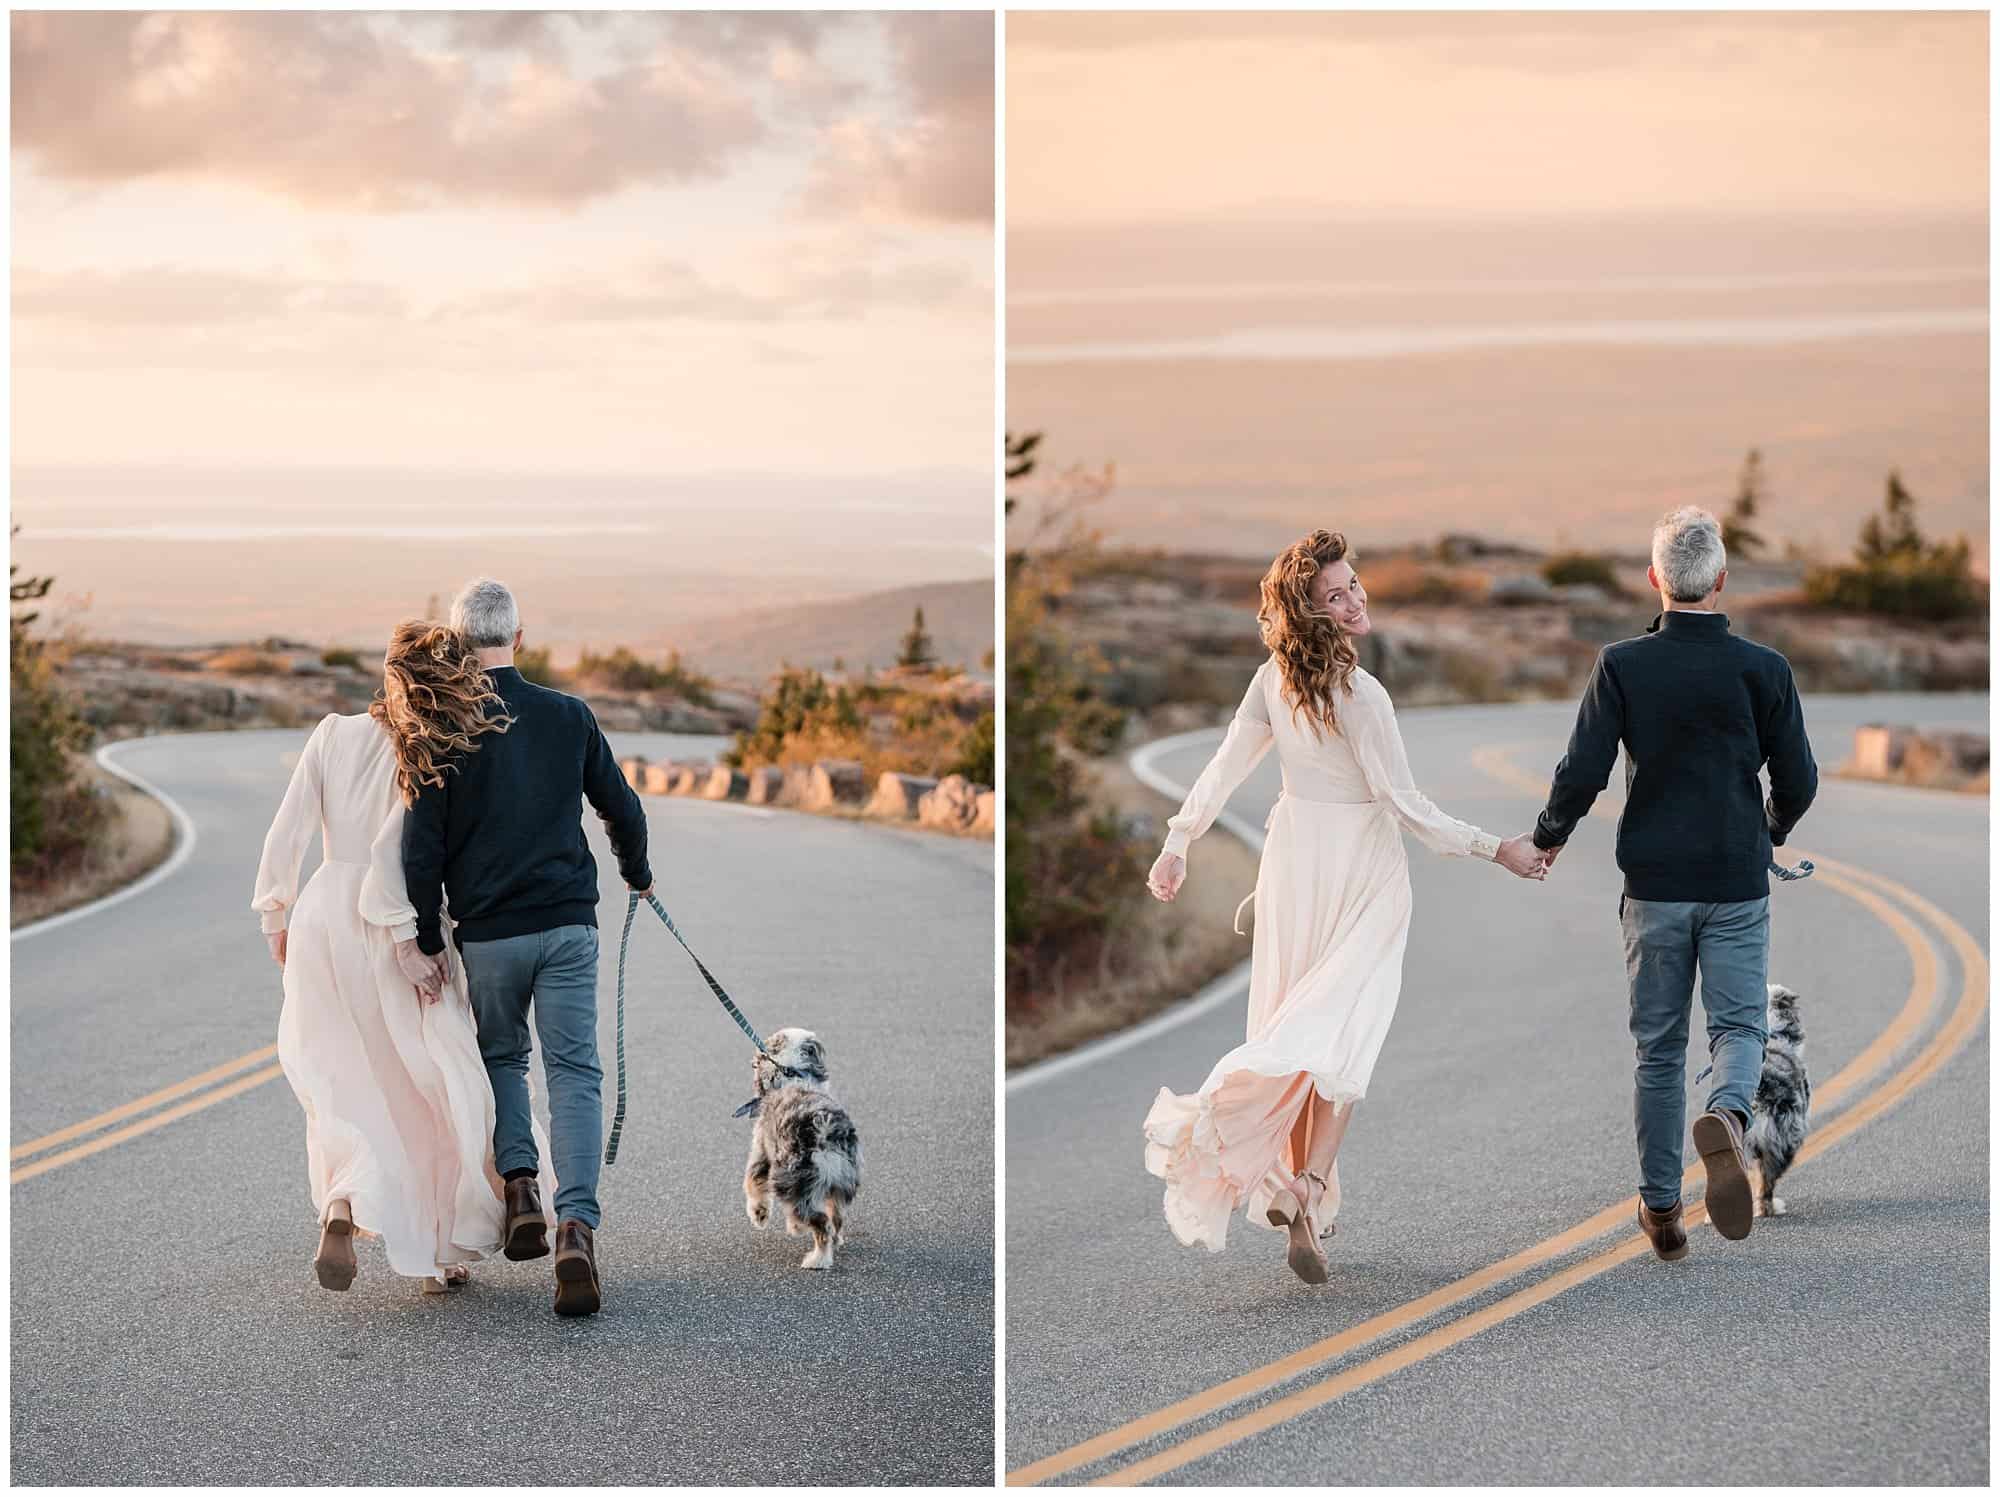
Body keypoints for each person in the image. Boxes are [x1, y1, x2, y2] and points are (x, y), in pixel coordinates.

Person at [1143, 529, 1547, 1284]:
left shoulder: (1274, 680)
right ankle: (1309, 1183)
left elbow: (1226, 767)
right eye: (1337, 595)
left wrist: (1180, 838)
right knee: (1345, 1036)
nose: (1355, 599)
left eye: (1354, 583)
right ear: (1311, 613)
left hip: (1296, 866)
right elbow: (1405, 805)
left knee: (1309, 1032)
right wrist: (1500, 848)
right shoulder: (1363, 697)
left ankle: (1303, 1192)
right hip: (1361, 875)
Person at [1530, 506, 1817, 1259]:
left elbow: (1583, 771)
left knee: (1658, 1049)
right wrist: (1773, 827)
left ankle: (1662, 1209)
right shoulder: (1765, 669)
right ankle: (1726, 1114)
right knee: (1740, 1029)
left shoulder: (1622, 664)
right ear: (1720, 580)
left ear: (1655, 579)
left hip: (1654, 886)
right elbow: (1801, 779)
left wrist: (1547, 837)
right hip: (1734, 881)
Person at [253, 621, 539, 1295]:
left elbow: (288, 828)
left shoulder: (330, 732)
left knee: (338, 1076)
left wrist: (277, 913)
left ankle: (343, 1201)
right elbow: (397, 857)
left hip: (322, 913)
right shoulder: (427, 750)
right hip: (388, 920)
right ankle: (440, 1252)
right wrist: (412, 942)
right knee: (425, 1084)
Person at [399, 578, 653, 1317]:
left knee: (503, 1058)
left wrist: (424, 933)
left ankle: (519, 1187)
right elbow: (622, 806)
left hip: (490, 935)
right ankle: (576, 1228)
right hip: (570, 923)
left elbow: (422, 847)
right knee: (575, 1071)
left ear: (455, 642)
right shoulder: (568, 715)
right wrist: (637, 873)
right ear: (521, 637)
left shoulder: (443, 725)